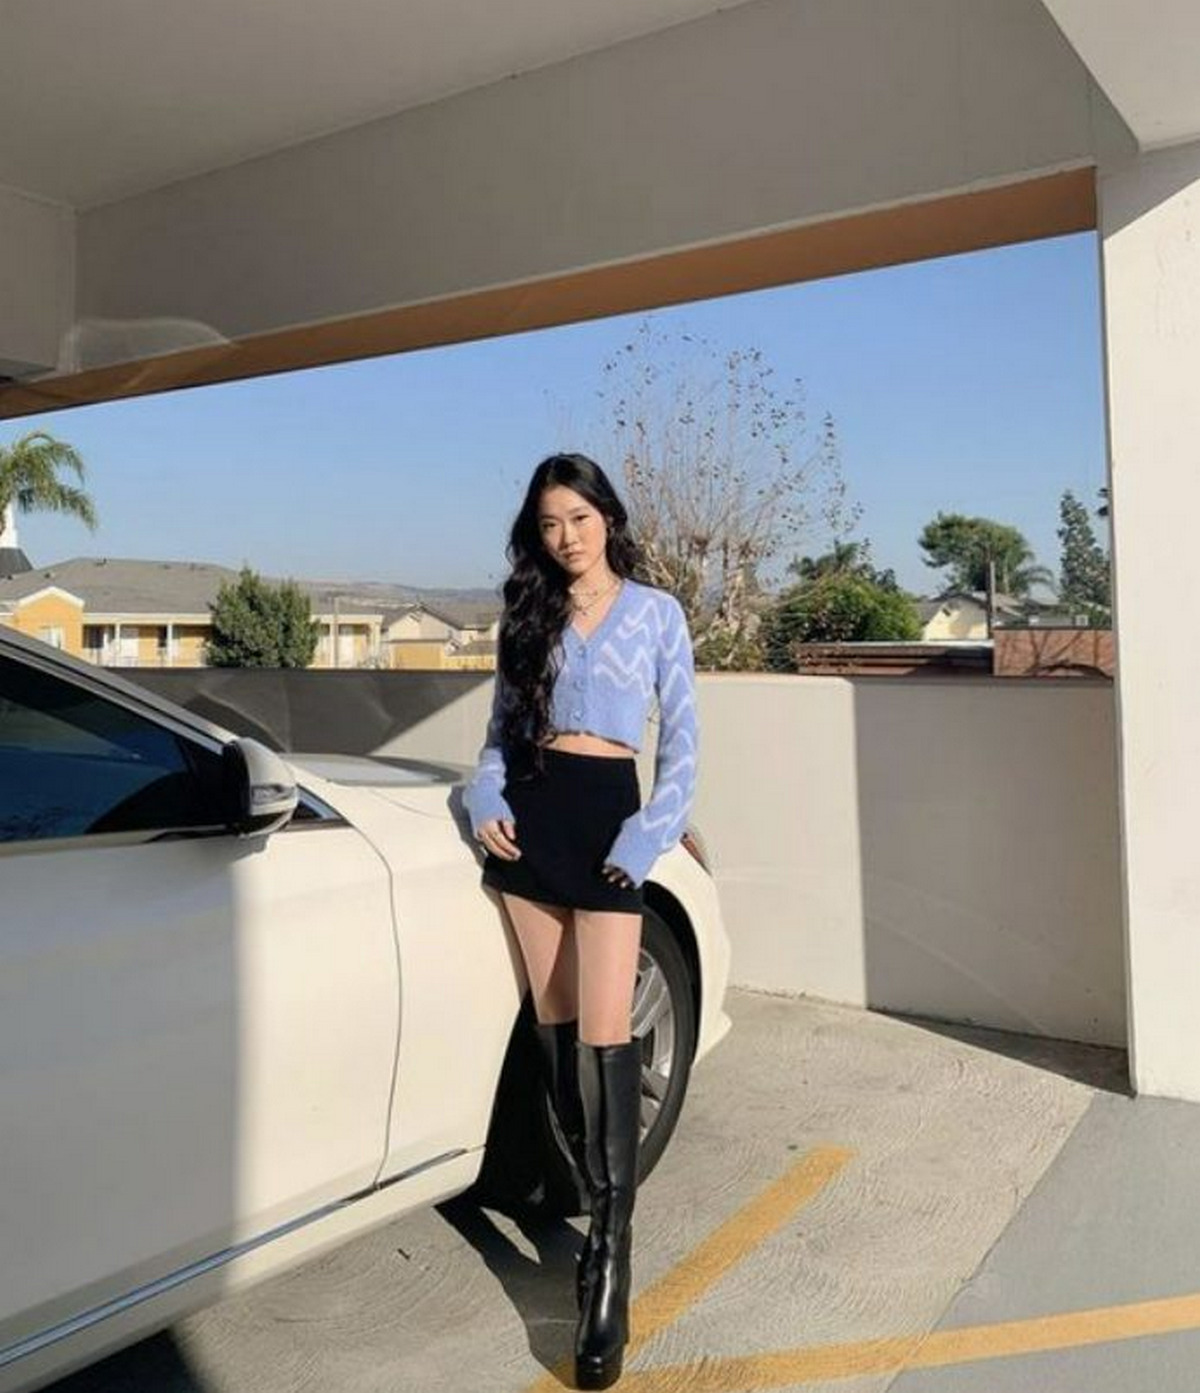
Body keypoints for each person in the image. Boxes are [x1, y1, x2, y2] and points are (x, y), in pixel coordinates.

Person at [463, 452, 697, 1390]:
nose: (566, 536)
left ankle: (610, 1252)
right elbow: (495, 737)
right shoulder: (528, 617)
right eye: (550, 522)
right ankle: (590, 1196)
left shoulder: (656, 614)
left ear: (606, 515)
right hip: (529, 822)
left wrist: (645, 840)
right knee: (557, 1039)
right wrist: (486, 795)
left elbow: (682, 746)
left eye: (579, 516)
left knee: (607, 1034)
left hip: (607, 824)